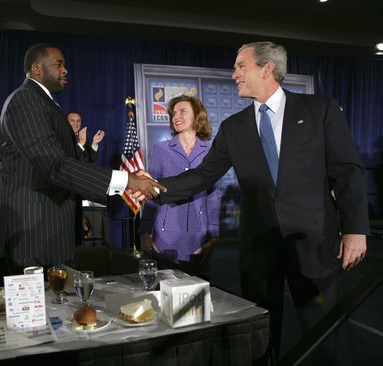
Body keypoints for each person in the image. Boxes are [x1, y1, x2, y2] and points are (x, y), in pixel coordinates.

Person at [151, 41, 369, 365]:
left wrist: (355, 229)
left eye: (241, 66)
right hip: (259, 251)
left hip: (313, 245)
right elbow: (201, 176)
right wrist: (152, 187)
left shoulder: (319, 109)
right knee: (260, 342)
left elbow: (347, 172)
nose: (234, 73)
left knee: (327, 336)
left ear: (267, 69)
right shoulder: (233, 127)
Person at [0, 43, 164, 274]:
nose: (65, 70)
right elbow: (54, 165)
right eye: (58, 64)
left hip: (51, 229)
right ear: (37, 69)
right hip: (33, 236)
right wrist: (127, 181)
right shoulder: (25, 101)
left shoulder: (43, 102)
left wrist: (76, 215)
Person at [139, 95, 220, 276]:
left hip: (198, 237)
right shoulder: (161, 149)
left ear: (197, 116)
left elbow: (213, 195)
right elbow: (151, 191)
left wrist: (213, 235)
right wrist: (145, 232)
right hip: (165, 237)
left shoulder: (210, 151)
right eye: (174, 113)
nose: (176, 116)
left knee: (195, 300)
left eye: (183, 111)